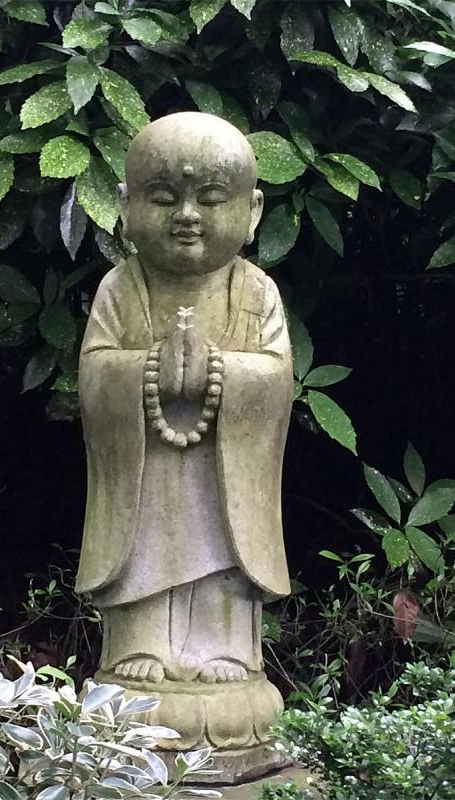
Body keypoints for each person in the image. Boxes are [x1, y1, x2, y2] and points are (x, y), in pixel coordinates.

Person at [76, 112, 293, 686]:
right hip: (144, 473)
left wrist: (219, 373)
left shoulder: (257, 291)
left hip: (225, 472)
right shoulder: (120, 288)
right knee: (146, 545)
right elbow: (94, 376)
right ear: (125, 207)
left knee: (220, 544)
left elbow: (276, 378)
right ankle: (138, 644)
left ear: (253, 211)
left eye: (214, 198)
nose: (188, 217)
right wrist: (149, 371)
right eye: (165, 198)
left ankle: (225, 648)